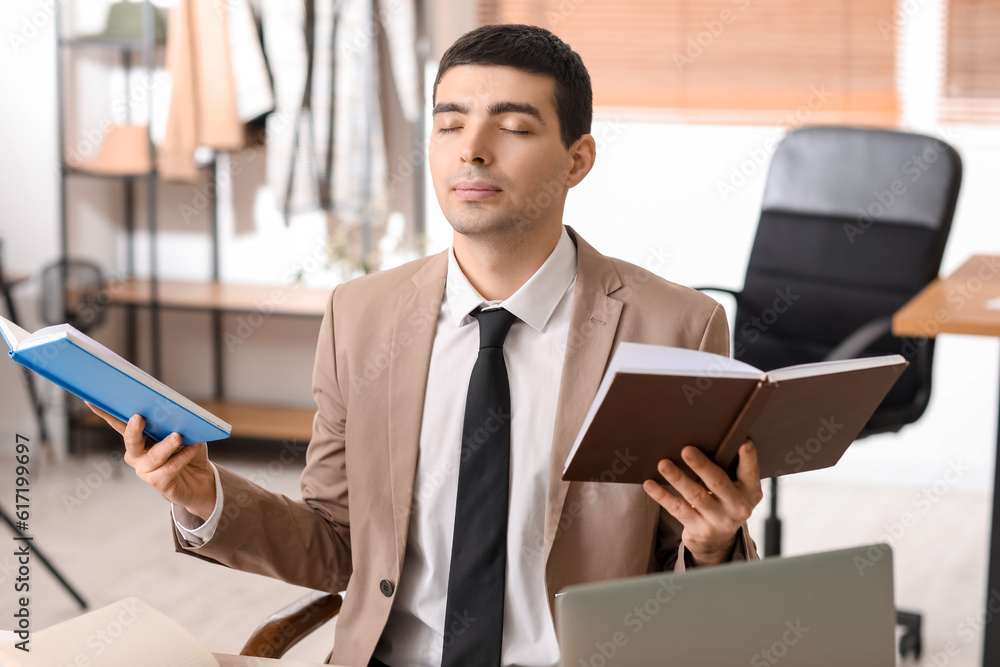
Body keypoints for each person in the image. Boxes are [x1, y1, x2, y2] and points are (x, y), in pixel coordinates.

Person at [89, 23, 762, 667]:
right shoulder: (362, 315)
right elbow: (338, 540)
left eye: (514, 126)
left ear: (578, 159)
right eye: (448, 125)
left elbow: (689, 574)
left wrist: (713, 544)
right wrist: (204, 492)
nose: (472, 149)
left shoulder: (676, 326)